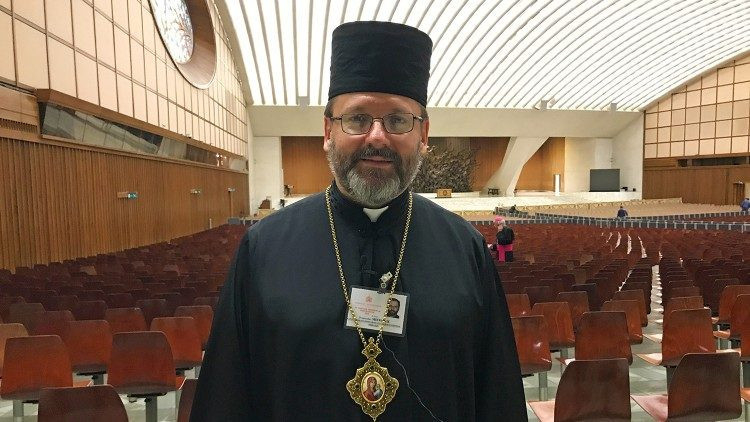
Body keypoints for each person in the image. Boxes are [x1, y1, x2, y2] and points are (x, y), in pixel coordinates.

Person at [191, 21, 526, 422]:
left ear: (424, 135)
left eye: (398, 121)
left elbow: (498, 398)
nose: (377, 137)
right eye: (358, 119)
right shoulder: (263, 249)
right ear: (327, 131)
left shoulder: (466, 250)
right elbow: (227, 397)